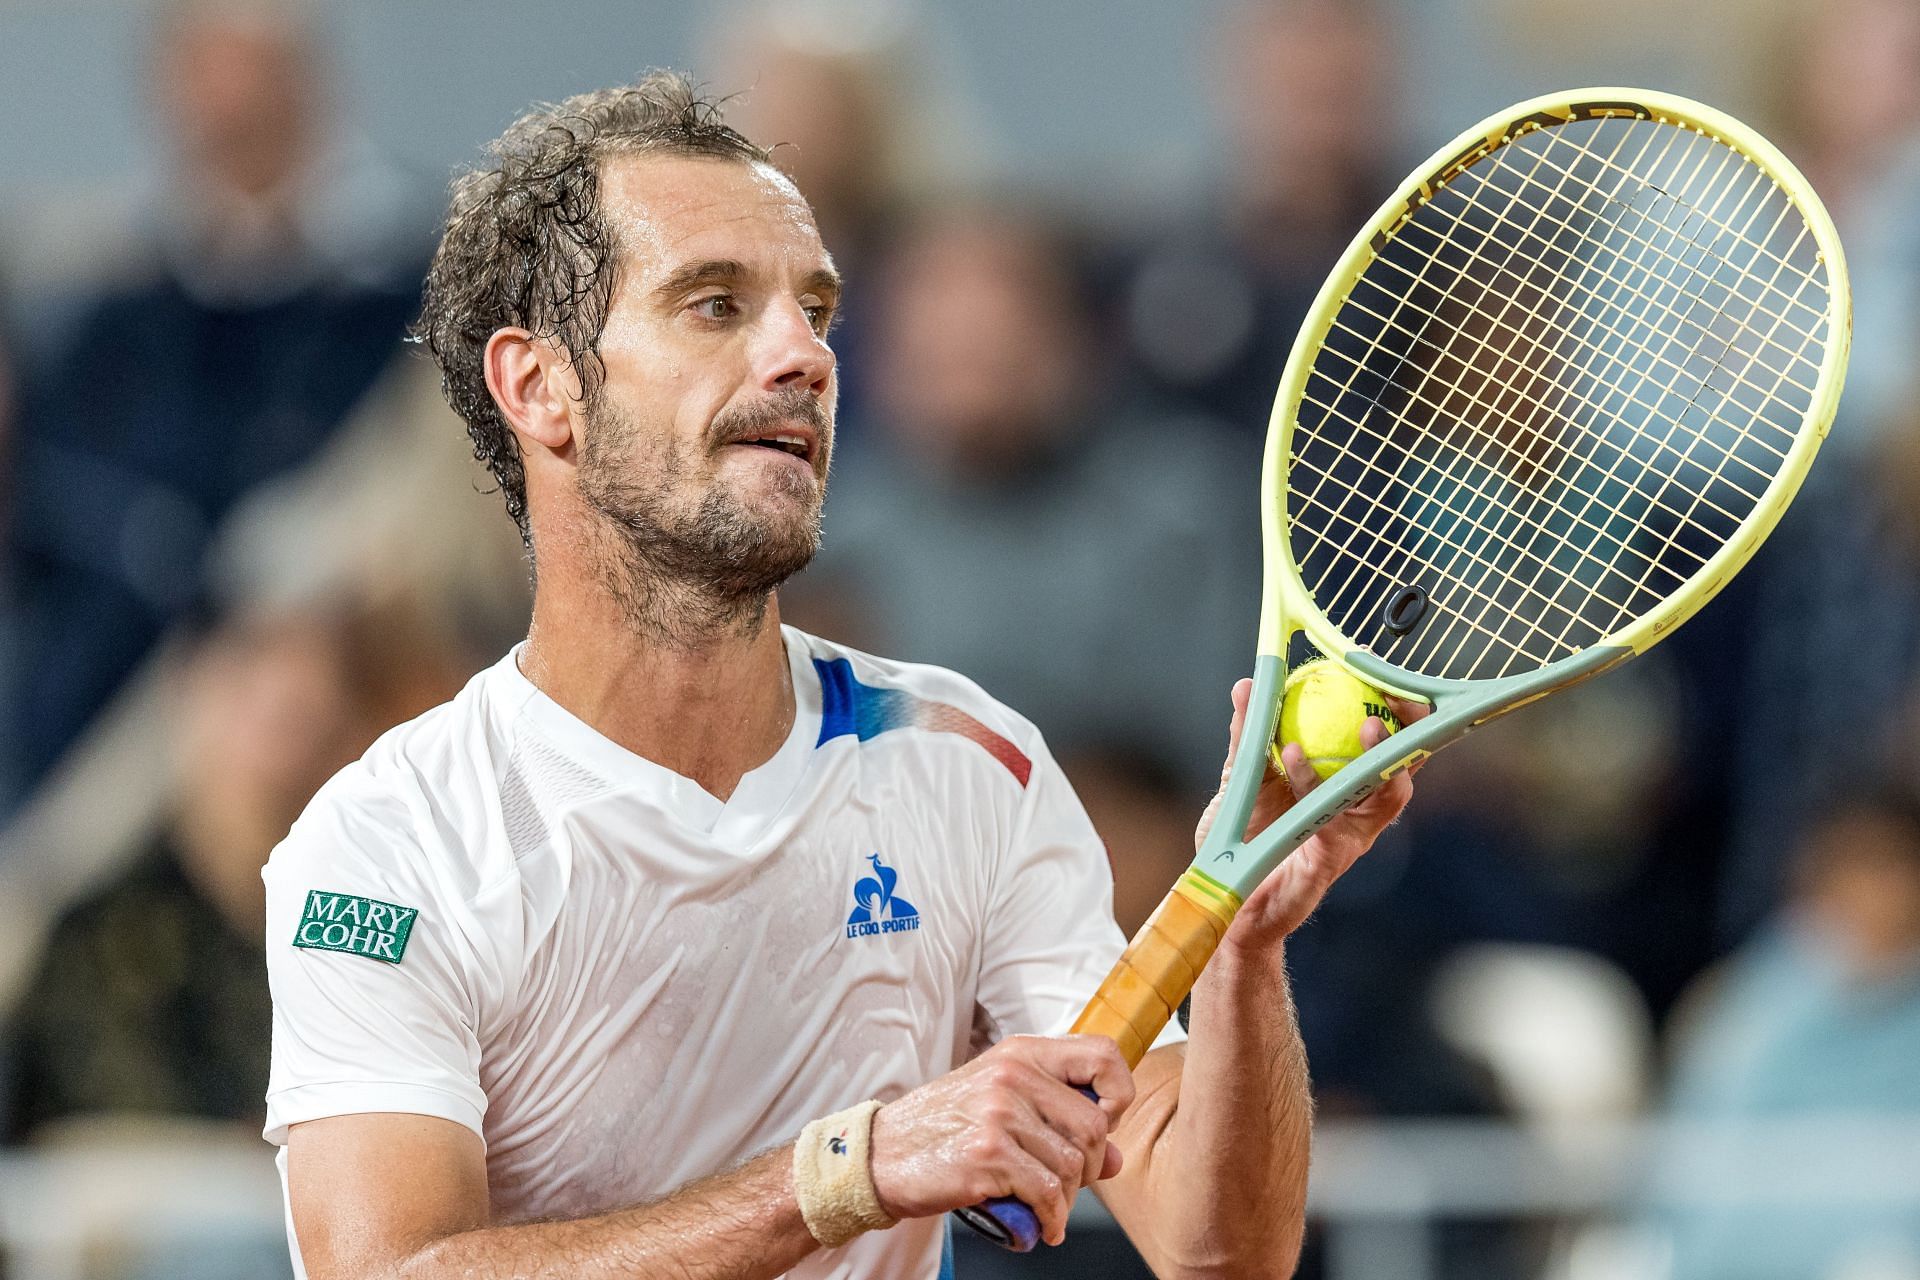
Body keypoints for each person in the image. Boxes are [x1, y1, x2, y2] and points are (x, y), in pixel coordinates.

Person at [266, 73, 1417, 1280]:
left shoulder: (970, 759)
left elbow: (1222, 1247)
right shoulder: (385, 846)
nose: (803, 355)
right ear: (539, 385)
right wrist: (847, 1171)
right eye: (716, 305)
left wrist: (1245, 954)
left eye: (814, 309)